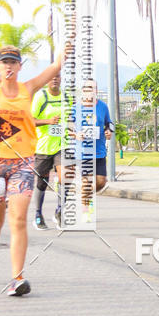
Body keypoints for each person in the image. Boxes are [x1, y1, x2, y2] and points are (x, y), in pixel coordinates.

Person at [0, 45, 63, 295]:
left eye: (13, 62)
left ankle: (17, 278)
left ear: (20, 66)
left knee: (18, 219)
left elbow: (54, 67)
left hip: (22, 163)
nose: (9, 66)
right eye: (4, 62)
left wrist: (70, 38)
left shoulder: (28, 89)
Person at [67, 80, 113, 222]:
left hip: (99, 151)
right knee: (87, 182)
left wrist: (108, 131)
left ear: (96, 91)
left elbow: (108, 123)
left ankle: (85, 195)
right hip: (83, 152)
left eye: (93, 88)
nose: (91, 91)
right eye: (88, 88)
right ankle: (86, 211)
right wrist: (76, 135)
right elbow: (68, 128)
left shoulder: (103, 107)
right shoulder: (75, 108)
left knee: (101, 182)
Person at [31, 71, 64, 229]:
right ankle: (38, 214)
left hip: (62, 146)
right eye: (52, 77)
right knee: (42, 182)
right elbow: (30, 121)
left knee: (64, 177)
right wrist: (48, 121)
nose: (55, 80)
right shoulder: (41, 97)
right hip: (43, 146)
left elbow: (71, 119)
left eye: (57, 76)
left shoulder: (67, 98)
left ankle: (59, 212)